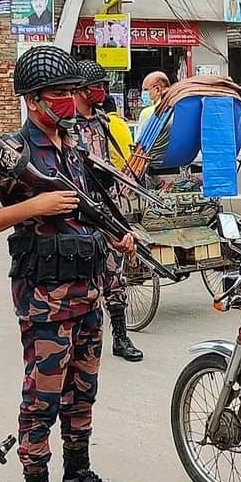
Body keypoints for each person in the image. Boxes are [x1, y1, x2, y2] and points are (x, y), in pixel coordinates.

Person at [0, 46, 134, 482]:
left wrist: (118, 235)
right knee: (42, 401)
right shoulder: (12, 152)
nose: (73, 100)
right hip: (45, 303)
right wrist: (31, 204)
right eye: (60, 93)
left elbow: (91, 207)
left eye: (73, 91)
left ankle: (77, 478)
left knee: (83, 393)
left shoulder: (75, 146)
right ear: (34, 100)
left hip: (88, 293)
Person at [72, 59, 144, 362]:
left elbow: (110, 156)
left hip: (107, 202)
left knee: (115, 274)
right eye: (96, 86)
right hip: (79, 205)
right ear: (82, 90)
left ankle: (120, 337)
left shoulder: (102, 121)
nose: (102, 91)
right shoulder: (68, 125)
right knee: (81, 274)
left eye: (103, 86)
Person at [135, 70, 170, 140]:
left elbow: (139, 143)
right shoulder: (175, 107)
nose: (143, 93)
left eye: (145, 89)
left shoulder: (148, 112)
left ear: (157, 89)